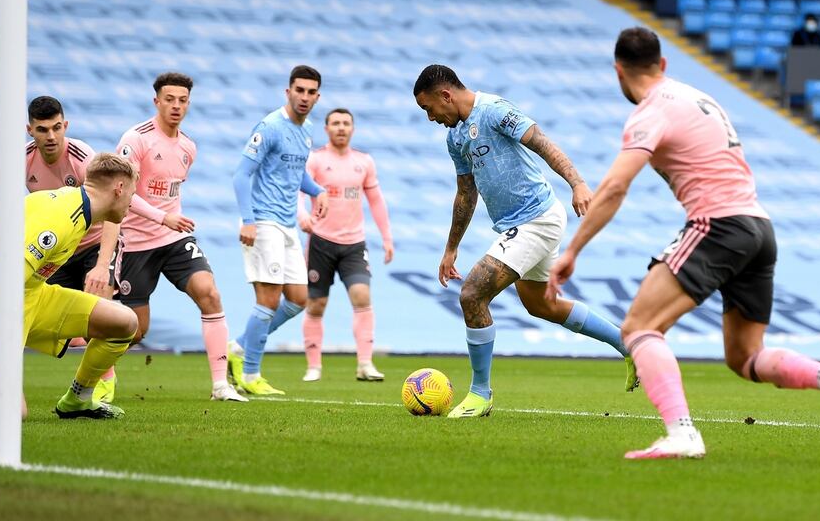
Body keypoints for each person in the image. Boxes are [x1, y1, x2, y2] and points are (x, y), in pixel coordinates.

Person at [547, 27, 820, 459]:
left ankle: (681, 434)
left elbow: (616, 186)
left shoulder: (650, 111)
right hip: (759, 228)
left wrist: (572, 251)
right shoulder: (699, 98)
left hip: (718, 225)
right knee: (745, 357)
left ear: (618, 71)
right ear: (662, 64)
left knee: (639, 327)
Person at [413, 64, 637, 419]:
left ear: (446, 95)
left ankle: (480, 394)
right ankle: (628, 343)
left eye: (429, 109)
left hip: (537, 218)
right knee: (541, 305)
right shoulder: (455, 137)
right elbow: (465, 193)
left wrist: (577, 182)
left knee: (472, 295)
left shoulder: (495, 111)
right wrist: (451, 247)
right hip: (519, 224)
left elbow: (543, 143)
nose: (431, 118)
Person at [0, 153, 141, 420]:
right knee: (12, 413)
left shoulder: (77, 208)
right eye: (132, 195)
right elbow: (2, 283)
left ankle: (79, 400)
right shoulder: (59, 219)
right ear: (118, 189)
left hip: (32, 295)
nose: (131, 204)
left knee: (124, 323)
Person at [24, 95, 170, 403]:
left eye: (55, 128)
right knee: (44, 321)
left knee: (100, 311)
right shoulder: (22, 162)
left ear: (65, 125)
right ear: (30, 130)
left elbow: (114, 210)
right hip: (58, 249)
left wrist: (102, 265)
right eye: (42, 130)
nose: (50, 136)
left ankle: (96, 387)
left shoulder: (82, 157)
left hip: (94, 243)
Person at [115, 72, 246, 402]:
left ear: (189, 103)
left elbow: (169, 193)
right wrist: (163, 217)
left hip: (172, 239)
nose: (176, 106)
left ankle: (220, 386)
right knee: (134, 329)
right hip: (134, 244)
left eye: (182, 100)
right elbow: (123, 194)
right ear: (156, 101)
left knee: (209, 293)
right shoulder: (136, 140)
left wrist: (168, 221)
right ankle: (95, 371)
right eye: (169, 99)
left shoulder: (188, 147)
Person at [229, 65, 330, 395]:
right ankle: (250, 374)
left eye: (310, 92)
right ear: (288, 92)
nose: (304, 97)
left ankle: (238, 347)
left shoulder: (307, 130)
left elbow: (297, 173)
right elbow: (241, 175)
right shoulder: (270, 126)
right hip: (263, 222)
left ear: (317, 96)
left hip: (288, 225)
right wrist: (248, 220)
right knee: (269, 300)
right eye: (298, 90)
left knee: (299, 299)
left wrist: (319, 191)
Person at [297, 108, 394, 382]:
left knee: (362, 297)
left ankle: (365, 364)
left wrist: (387, 238)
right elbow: (298, 192)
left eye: (346, 123)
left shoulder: (363, 162)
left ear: (353, 128)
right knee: (316, 304)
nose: (341, 128)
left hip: (354, 243)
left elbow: (376, 201)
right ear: (326, 128)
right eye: (335, 123)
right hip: (320, 242)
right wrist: (303, 216)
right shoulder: (315, 160)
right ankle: (313, 367)